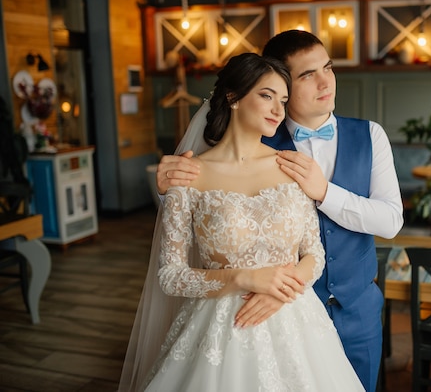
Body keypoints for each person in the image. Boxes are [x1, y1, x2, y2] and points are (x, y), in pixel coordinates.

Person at [155, 31, 404, 392]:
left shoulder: (371, 135)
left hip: (352, 311)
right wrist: (166, 188)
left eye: (328, 68)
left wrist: (325, 193)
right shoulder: (257, 138)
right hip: (254, 317)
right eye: (307, 75)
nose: (325, 82)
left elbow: (390, 222)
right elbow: (206, 210)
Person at [119, 53, 364, 391]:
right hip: (219, 330)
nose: (278, 110)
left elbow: (314, 255)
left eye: (283, 100)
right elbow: (170, 276)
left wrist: (280, 291)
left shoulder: (293, 168)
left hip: (296, 321)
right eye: (267, 96)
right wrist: (243, 278)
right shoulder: (188, 176)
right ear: (233, 97)